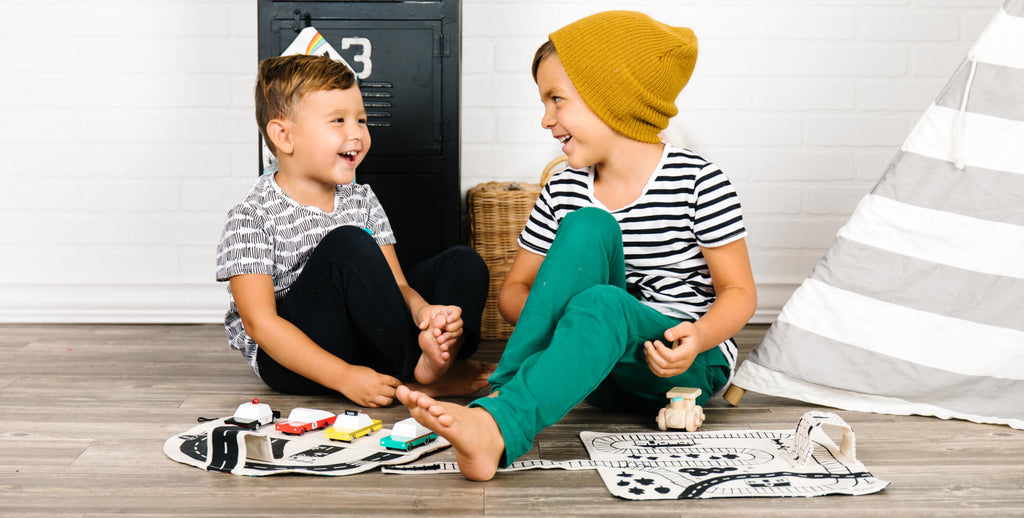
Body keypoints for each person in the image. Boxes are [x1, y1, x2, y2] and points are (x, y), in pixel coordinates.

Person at [397, 10, 757, 480]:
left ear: (612, 100)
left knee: (604, 301)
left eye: (556, 100)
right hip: (593, 365)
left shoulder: (699, 180)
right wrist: (563, 312)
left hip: (683, 364)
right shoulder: (565, 185)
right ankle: (503, 400)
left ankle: (497, 418)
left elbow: (740, 293)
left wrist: (702, 337)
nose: (546, 119)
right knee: (589, 228)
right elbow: (515, 293)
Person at [216, 54, 494, 407]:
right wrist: (343, 377)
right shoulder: (251, 216)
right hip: (296, 358)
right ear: (283, 136)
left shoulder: (360, 198)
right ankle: (415, 376)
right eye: (338, 121)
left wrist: (426, 314)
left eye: (361, 120)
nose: (356, 133)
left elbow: (399, 286)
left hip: (371, 336)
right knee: (347, 244)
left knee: (462, 262)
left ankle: (434, 364)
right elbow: (261, 325)